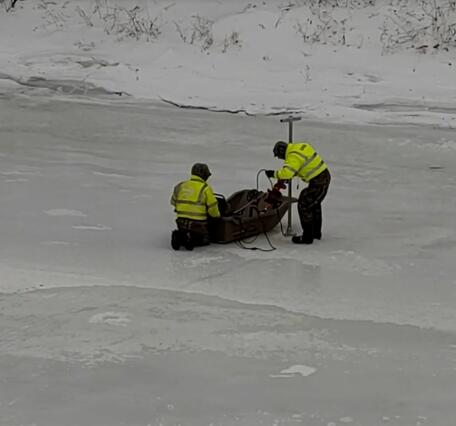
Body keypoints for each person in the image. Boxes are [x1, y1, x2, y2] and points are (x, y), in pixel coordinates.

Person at [265, 140, 331, 244]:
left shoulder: (292, 156)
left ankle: (307, 237)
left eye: (279, 156)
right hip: (323, 176)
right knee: (314, 205)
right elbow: (303, 163)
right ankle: (316, 233)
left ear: (282, 151)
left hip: (319, 181)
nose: (280, 158)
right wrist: (293, 173)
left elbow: (286, 173)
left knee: (304, 204)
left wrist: (273, 174)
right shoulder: (299, 146)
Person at [170, 163, 221, 250]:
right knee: (205, 239)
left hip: (181, 222)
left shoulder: (180, 186)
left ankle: (180, 236)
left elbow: (173, 202)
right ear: (204, 175)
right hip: (197, 223)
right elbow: (213, 208)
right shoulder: (205, 188)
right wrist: (217, 217)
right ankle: (190, 239)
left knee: (186, 230)